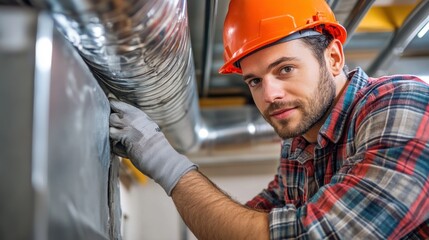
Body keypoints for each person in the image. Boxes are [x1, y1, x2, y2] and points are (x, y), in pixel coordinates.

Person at [109, 0, 429, 239]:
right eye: (254, 81)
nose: (269, 95)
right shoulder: (298, 142)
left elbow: (314, 234)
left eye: (285, 69)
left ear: (333, 58)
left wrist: (166, 165)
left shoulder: (400, 103)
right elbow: (246, 222)